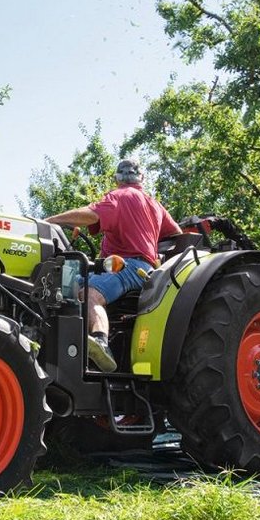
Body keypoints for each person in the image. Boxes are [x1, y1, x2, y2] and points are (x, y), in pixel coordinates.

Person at [45, 158, 181, 372]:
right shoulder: (155, 205)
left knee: (88, 293)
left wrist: (50, 221)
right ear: (141, 179)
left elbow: (91, 215)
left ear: (117, 178)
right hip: (141, 267)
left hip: (128, 266)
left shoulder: (120, 196)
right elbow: (176, 234)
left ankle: (100, 342)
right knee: (69, 278)